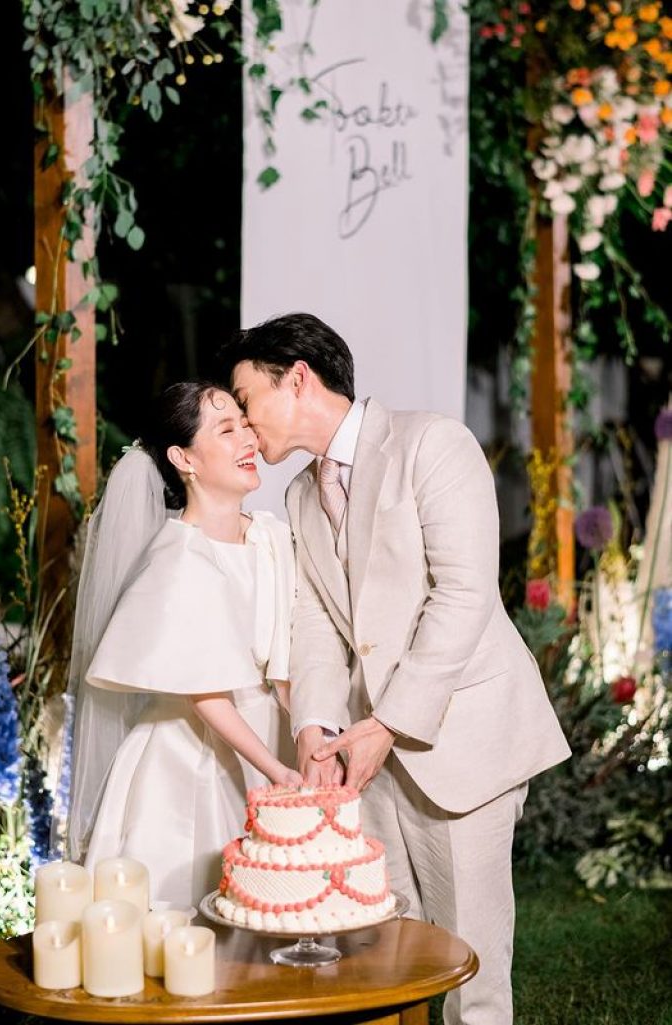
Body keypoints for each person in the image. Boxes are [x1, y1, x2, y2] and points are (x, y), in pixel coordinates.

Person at [218, 313, 570, 1025]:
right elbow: (316, 618)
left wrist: (389, 722)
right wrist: (315, 723)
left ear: (297, 379)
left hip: (459, 741)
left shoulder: (432, 443)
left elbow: (464, 594)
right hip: (364, 758)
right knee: (383, 961)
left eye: (247, 400)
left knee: (470, 968)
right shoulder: (299, 495)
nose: (245, 423)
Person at [63, 382, 300, 908]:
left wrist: (308, 736)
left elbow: (287, 653)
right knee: (194, 908)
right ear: (183, 458)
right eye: (226, 429)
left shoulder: (269, 535)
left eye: (245, 424)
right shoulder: (178, 558)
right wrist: (277, 771)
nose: (247, 439)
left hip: (270, 738)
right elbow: (204, 690)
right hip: (193, 756)